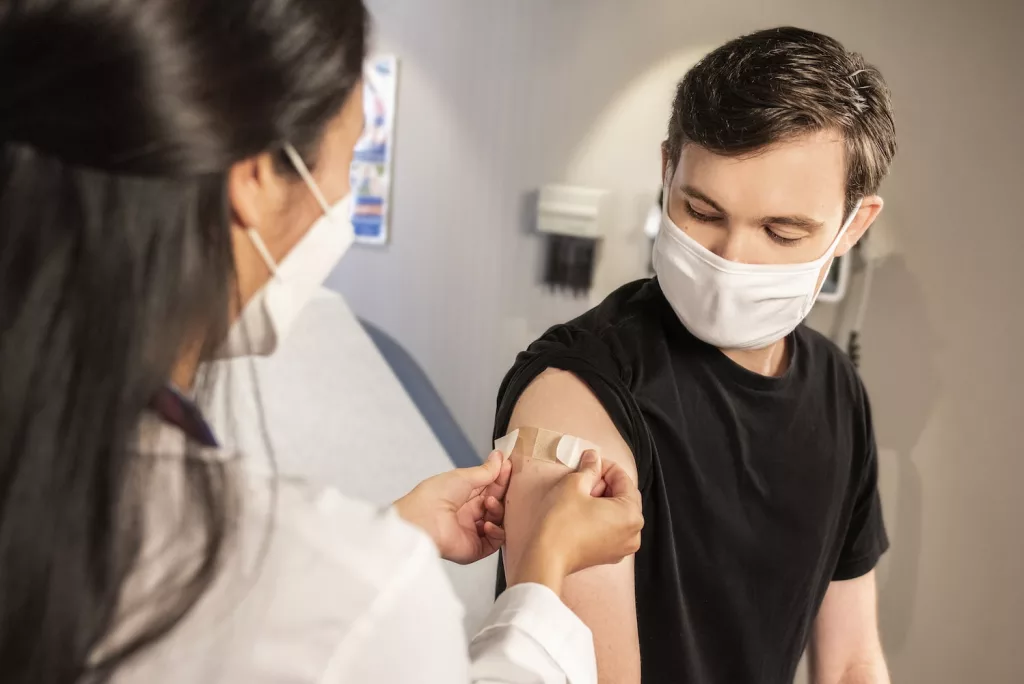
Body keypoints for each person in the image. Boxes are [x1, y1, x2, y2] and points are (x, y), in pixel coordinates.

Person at [0, 1, 644, 683]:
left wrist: (392, 531)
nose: (345, 192)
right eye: (357, 153)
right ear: (252, 177)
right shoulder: (352, 593)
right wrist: (540, 576)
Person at [495, 27, 897, 684]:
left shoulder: (838, 393)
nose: (729, 259)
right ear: (667, 171)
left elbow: (853, 659)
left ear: (853, 225)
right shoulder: (577, 392)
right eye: (701, 210)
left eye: (781, 230)